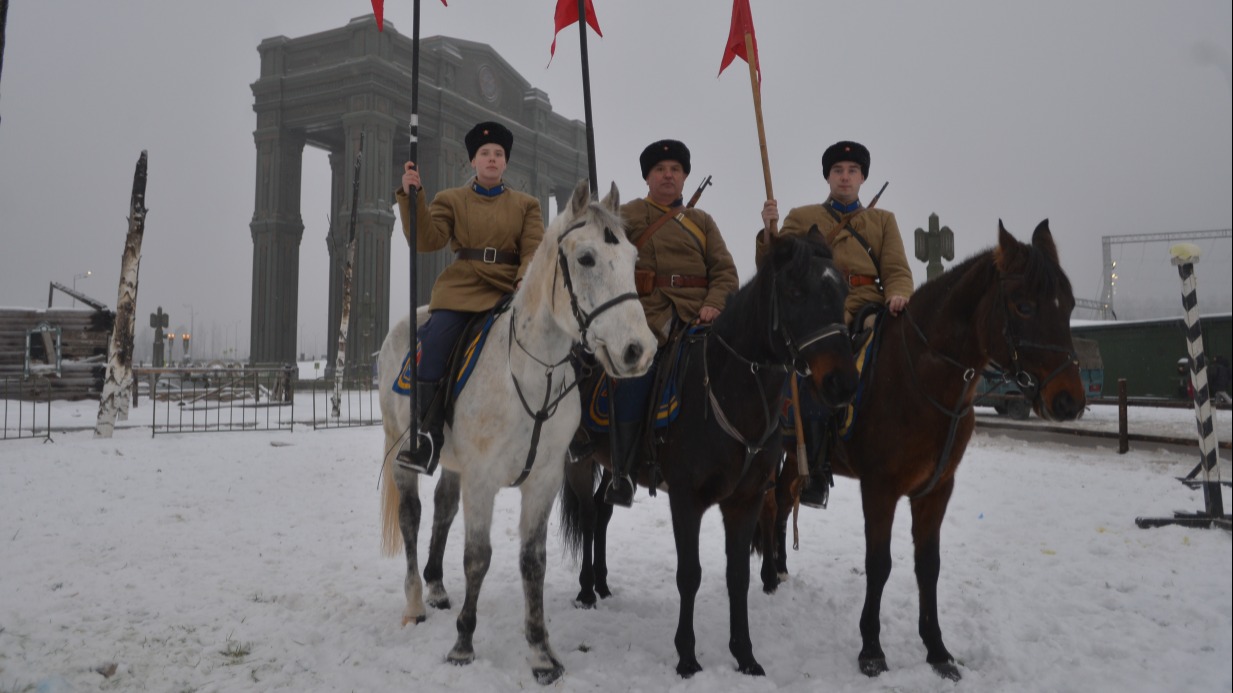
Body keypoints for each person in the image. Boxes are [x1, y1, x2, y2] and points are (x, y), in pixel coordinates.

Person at [757, 140, 915, 508]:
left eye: (853, 171)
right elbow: (775, 263)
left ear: (863, 179)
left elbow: (895, 270)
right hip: (819, 310)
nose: (845, 177)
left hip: (865, 308)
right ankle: (812, 468)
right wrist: (768, 230)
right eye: (838, 171)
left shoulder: (882, 221)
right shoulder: (802, 215)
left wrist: (898, 294)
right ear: (828, 177)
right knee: (809, 369)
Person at [393, 121, 544, 475]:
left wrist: (525, 281)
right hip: (462, 291)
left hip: (510, 291)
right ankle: (427, 436)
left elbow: (534, 248)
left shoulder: (527, 205)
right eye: (484, 154)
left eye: (498, 155)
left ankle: (556, 431)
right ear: (473, 162)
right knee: (434, 342)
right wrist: (412, 197)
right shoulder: (451, 199)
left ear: (505, 163)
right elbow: (427, 239)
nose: (492, 160)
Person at [603, 139, 739, 507]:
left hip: (700, 318)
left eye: (675, 170)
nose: (668, 175)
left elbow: (726, 273)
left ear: (684, 178)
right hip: (647, 317)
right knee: (636, 374)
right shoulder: (628, 213)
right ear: (648, 177)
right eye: (660, 169)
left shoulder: (702, 222)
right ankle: (624, 470)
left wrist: (713, 303)